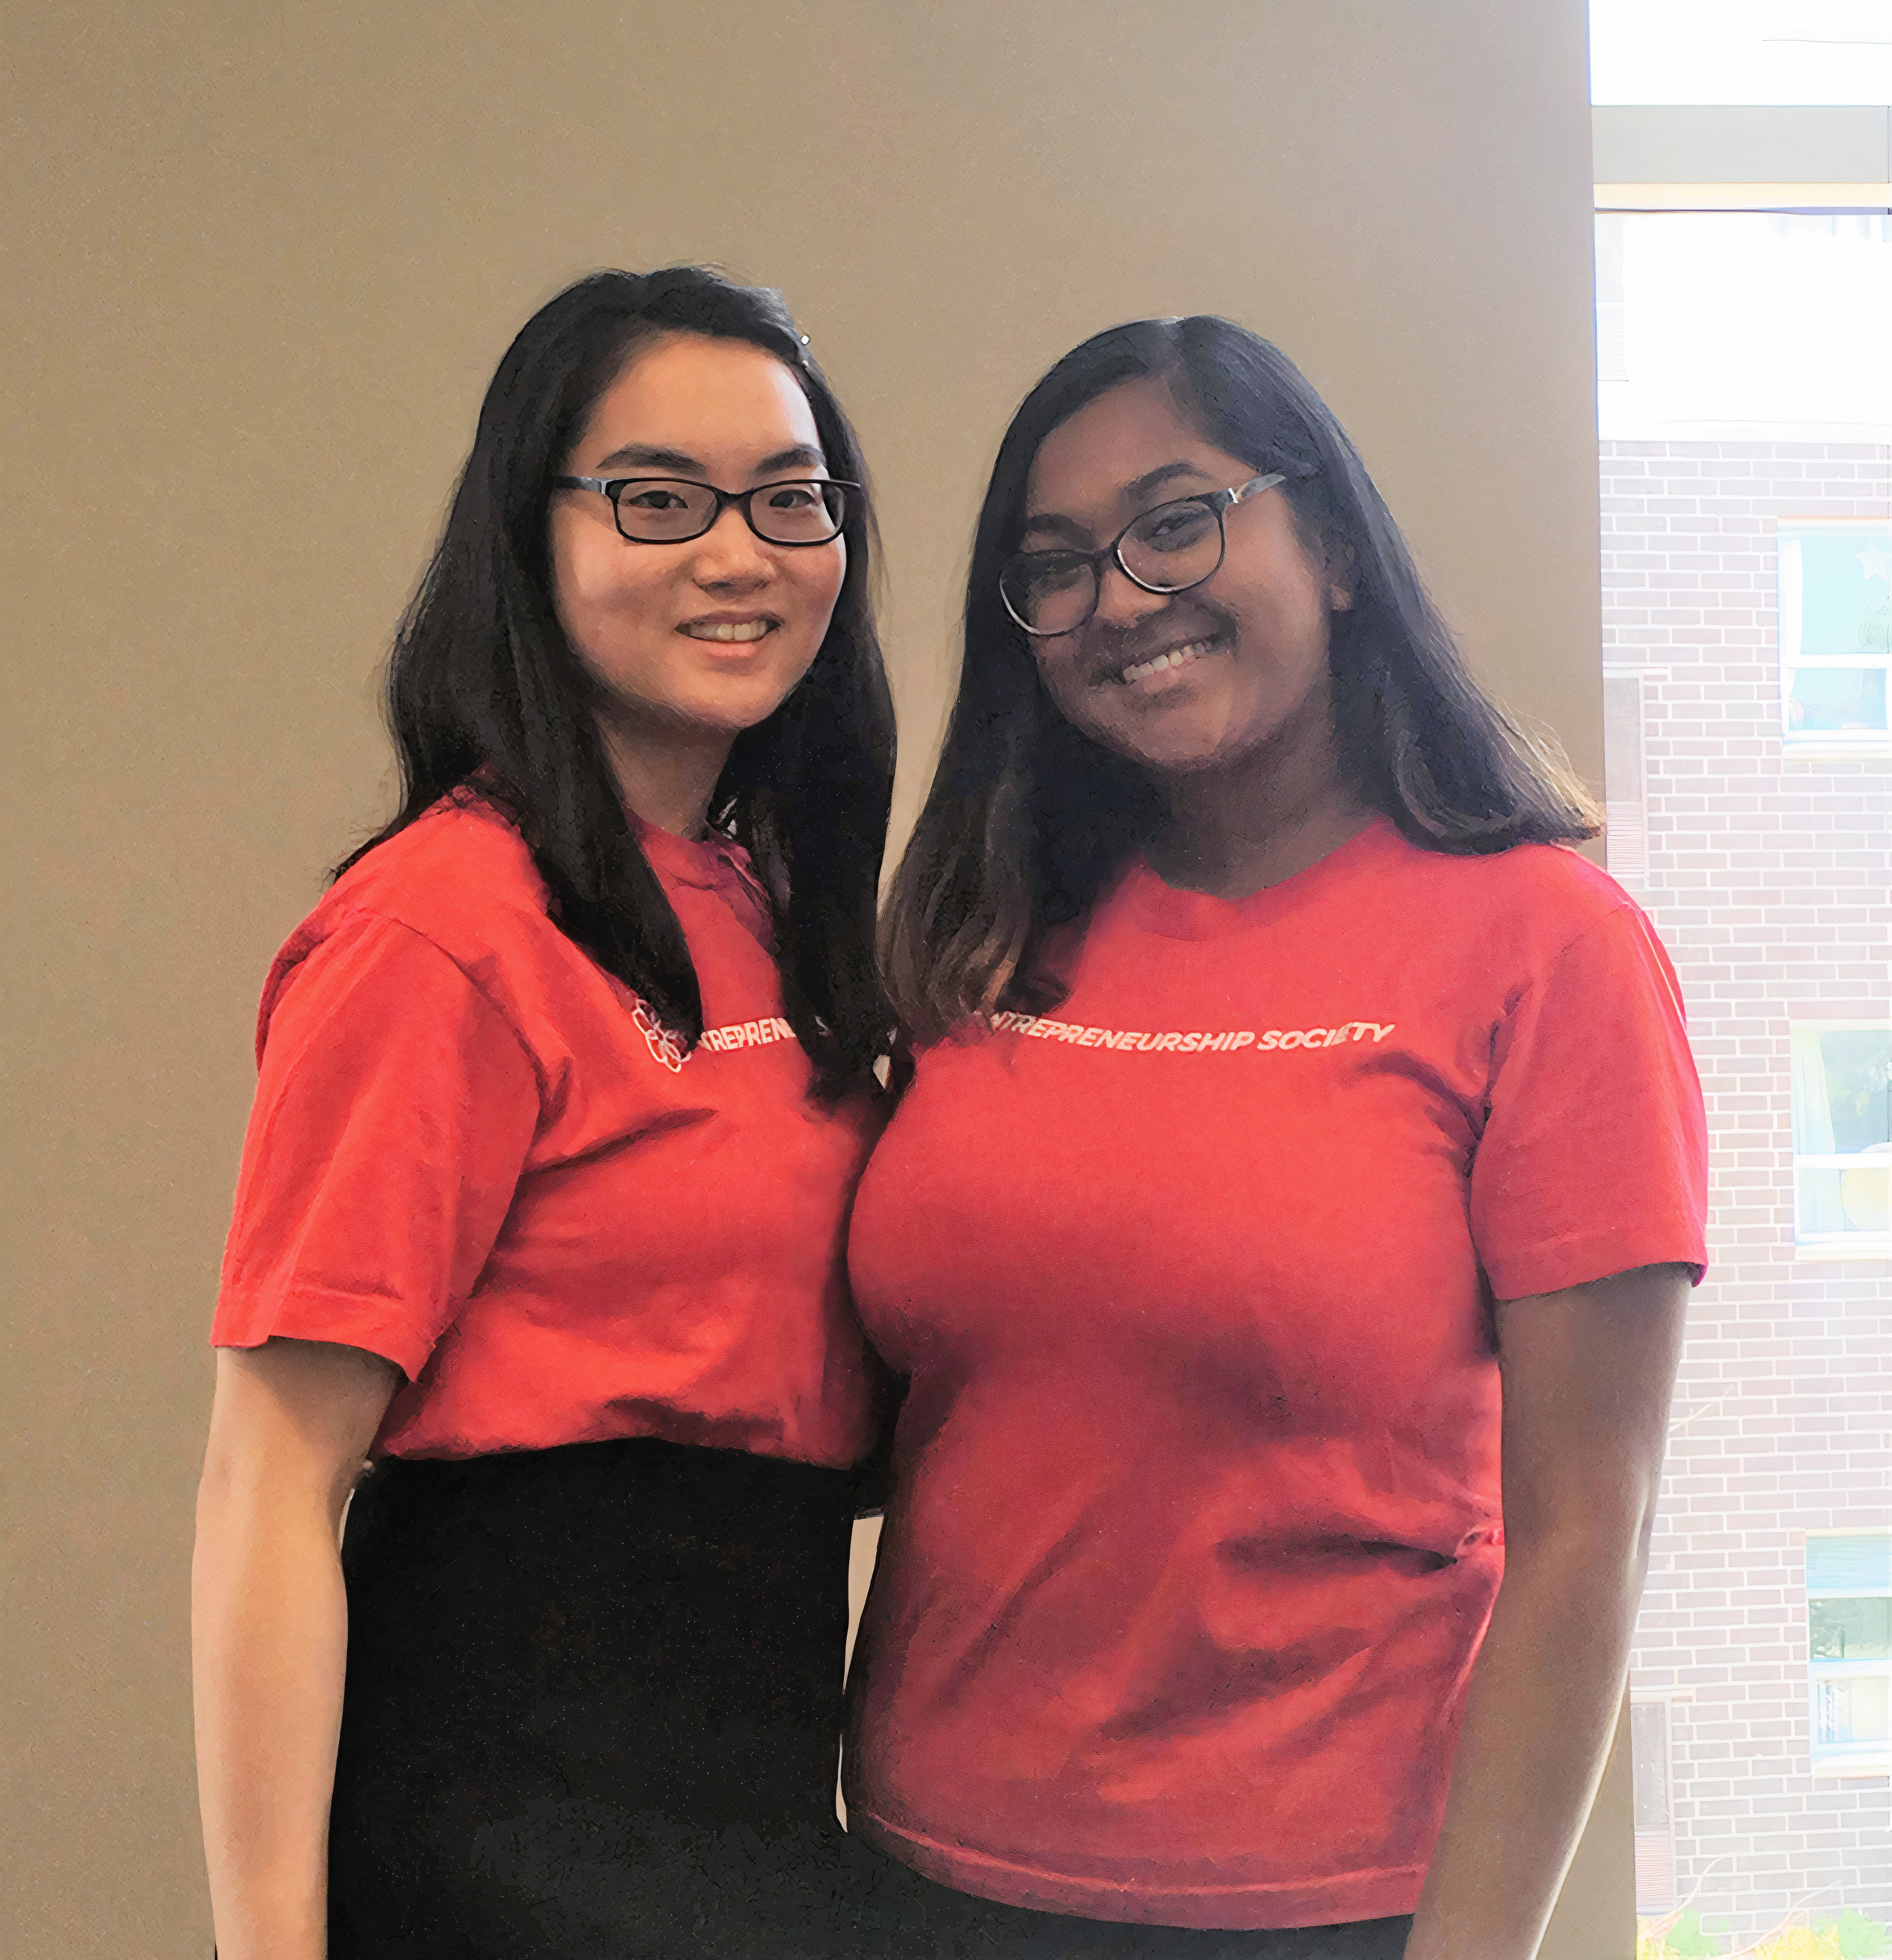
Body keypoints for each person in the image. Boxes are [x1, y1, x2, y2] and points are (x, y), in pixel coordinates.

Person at [842, 316, 1708, 1960]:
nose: (1120, 596)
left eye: (1178, 520)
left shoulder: (1549, 948)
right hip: (913, 1880)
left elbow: (1590, 1533)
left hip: (1317, 1909)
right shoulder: (988, 929)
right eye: (1055, 566)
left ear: (1333, 549)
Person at [191, 267, 895, 1960]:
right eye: (658, 499)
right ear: (532, 532)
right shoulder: (439, 927)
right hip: (508, 1803)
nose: (739, 554)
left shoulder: (782, 906)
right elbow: (270, 1486)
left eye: (793, 500)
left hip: (760, 1777)